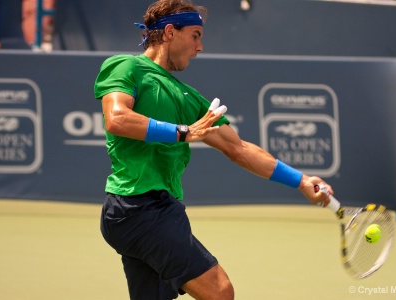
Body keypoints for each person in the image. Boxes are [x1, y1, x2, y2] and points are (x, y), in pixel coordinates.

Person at [94, 1, 333, 299]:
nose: (200, 46)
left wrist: (300, 180)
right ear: (170, 32)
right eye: (195, 35)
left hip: (153, 209)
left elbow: (240, 148)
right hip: (138, 207)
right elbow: (117, 118)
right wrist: (183, 132)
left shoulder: (190, 99)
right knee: (220, 292)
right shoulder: (125, 67)